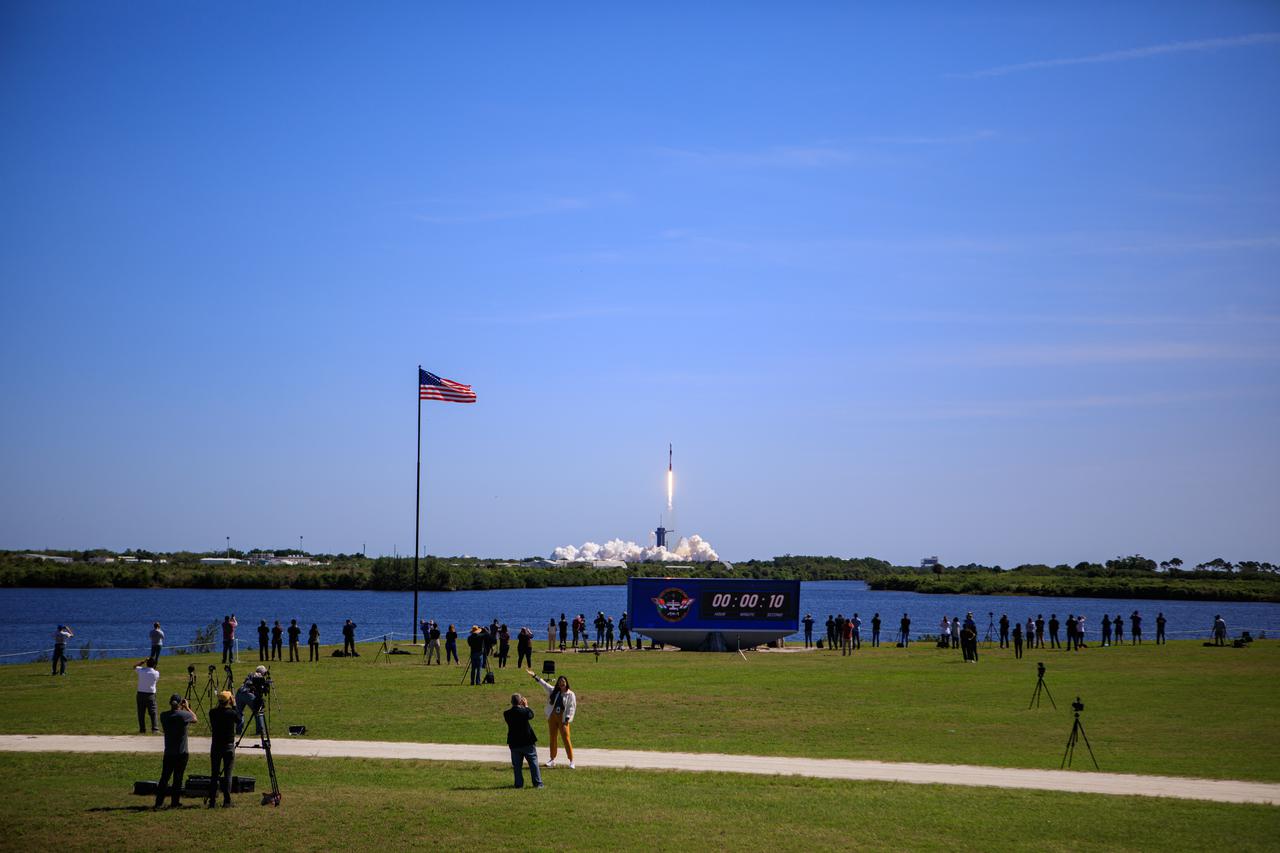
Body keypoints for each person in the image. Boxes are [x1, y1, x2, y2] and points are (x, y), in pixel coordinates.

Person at [155, 693, 197, 809]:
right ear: (180, 704)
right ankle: (175, 802)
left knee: (164, 777)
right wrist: (187, 707)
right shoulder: (184, 715)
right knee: (177, 778)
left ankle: (159, 802)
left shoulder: (164, 715)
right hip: (181, 752)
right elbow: (195, 718)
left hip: (169, 751)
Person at [528, 670, 576, 769]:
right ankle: (552, 759)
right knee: (552, 738)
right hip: (553, 717)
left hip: (563, 719)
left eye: (563, 682)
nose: (561, 683)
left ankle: (571, 761)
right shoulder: (554, 691)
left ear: (566, 683)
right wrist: (535, 676)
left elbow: (572, 707)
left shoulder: (570, 694)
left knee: (566, 739)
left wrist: (568, 717)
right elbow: (544, 684)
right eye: (560, 682)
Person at [504, 693, 543, 788]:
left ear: (511, 702)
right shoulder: (524, 712)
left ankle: (518, 784)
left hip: (514, 742)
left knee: (517, 766)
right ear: (520, 701)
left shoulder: (506, 714)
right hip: (527, 741)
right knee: (533, 763)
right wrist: (526, 706)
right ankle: (537, 783)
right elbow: (531, 715)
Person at [207, 690, 238, 807]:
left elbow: (217, 710)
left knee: (214, 774)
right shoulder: (231, 713)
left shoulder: (212, 712)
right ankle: (227, 801)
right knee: (228, 774)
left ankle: (212, 801)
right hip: (228, 746)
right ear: (229, 700)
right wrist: (234, 705)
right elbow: (239, 720)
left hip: (215, 745)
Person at [135, 658, 160, 733]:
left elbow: (134, 666)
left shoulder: (141, 670)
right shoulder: (156, 673)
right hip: (150, 694)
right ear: (154, 665)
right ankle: (155, 729)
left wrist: (143, 661)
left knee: (141, 713)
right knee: (153, 712)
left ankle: (142, 729)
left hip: (140, 694)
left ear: (147, 663)